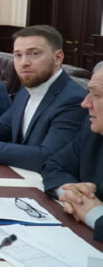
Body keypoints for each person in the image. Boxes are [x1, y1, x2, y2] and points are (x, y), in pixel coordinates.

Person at [0, 25, 87, 172]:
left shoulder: (73, 100)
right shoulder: (27, 89)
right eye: (18, 55)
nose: (24, 62)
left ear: (58, 57)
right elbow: (5, 125)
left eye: (34, 54)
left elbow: (48, 157)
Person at [42, 67, 103, 241]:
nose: (85, 103)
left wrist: (94, 213)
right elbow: (54, 165)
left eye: (96, 95)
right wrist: (73, 194)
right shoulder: (92, 129)